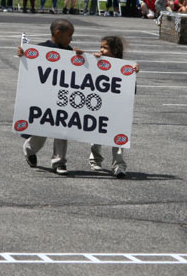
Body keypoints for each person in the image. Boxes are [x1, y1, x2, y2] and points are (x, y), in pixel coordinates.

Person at [16, 19, 83, 175]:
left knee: (61, 131)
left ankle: (59, 162)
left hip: (62, 99)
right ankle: (29, 149)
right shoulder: (41, 49)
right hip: (44, 99)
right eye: (69, 35)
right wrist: (22, 54)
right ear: (58, 34)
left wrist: (80, 58)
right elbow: (30, 66)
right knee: (41, 132)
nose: (71, 39)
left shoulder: (69, 50)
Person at [88, 36, 138, 178]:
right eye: (101, 47)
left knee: (118, 139)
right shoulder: (97, 62)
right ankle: (95, 160)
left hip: (117, 109)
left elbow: (131, 90)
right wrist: (92, 61)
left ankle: (119, 166)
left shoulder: (124, 67)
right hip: (98, 106)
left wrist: (132, 73)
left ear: (115, 50)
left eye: (104, 47)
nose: (101, 50)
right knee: (95, 135)